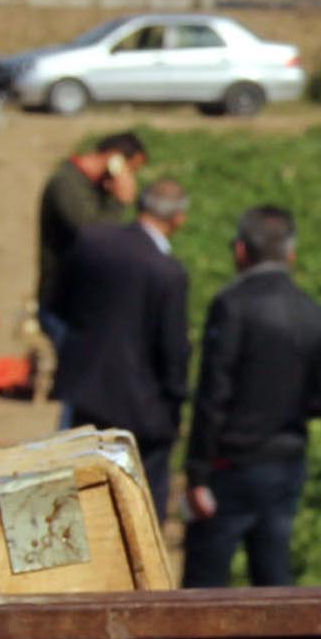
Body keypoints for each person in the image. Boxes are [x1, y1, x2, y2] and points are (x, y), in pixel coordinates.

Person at [182, 206, 321, 588]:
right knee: (272, 574)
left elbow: (213, 395)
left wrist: (197, 473)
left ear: (240, 250)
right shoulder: (313, 315)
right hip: (285, 465)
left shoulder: (231, 307)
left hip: (229, 466)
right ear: (291, 254)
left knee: (205, 580)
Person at [49, 177, 192, 515]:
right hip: (144, 408)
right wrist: (175, 399)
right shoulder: (168, 272)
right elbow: (173, 350)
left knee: (83, 493)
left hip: (86, 392)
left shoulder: (92, 242)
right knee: (139, 504)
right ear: (178, 220)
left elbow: (58, 304)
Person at [36, 131, 146, 346]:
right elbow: (93, 237)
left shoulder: (94, 187)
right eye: (130, 170)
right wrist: (119, 202)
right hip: (62, 302)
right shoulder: (67, 184)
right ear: (115, 159)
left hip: (82, 300)